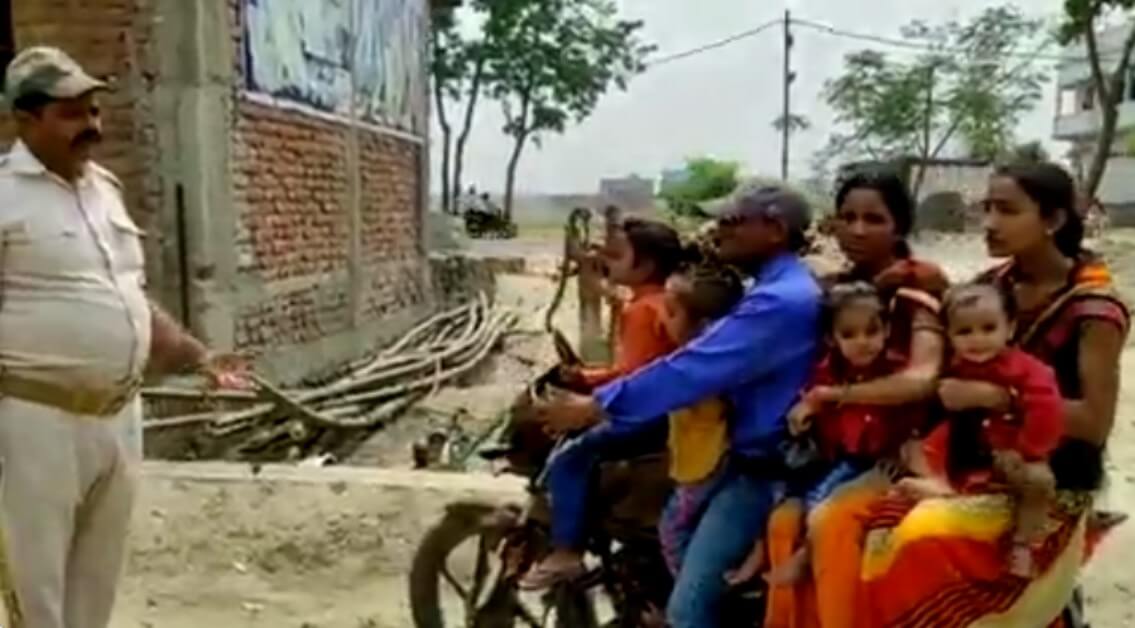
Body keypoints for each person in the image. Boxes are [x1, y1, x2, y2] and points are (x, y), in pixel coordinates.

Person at [0, 47, 247, 628]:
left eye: (93, 110)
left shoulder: (104, 189)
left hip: (117, 422)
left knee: (94, 595)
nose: (93, 126)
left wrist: (200, 356)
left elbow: (130, 299)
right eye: (72, 113)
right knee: (39, 602)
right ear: (25, 119)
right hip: (35, 425)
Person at [536, 181, 822, 628]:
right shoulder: (774, 288)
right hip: (750, 459)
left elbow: (692, 367)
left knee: (688, 611)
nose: (718, 230)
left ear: (775, 229)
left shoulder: (780, 301)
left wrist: (596, 407)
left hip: (764, 473)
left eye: (731, 221)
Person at [854, 162, 1127, 627]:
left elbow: (1094, 422)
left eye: (1006, 210)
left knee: (920, 539)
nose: (990, 222)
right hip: (974, 465)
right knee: (845, 522)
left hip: (1045, 484)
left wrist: (995, 399)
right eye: (987, 208)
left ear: (1053, 221)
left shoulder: (1094, 309)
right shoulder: (994, 286)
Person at [764, 170, 949, 628]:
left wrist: (835, 395)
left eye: (874, 218)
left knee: (831, 523)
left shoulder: (914, 289)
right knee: (783, 522)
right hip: (841, 450)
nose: (858, 229)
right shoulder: (835, 291)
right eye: (848, 217)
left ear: (900, 227)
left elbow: (923, 378)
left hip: (899, 450)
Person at [520, 218, 683, 589]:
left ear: (644, 266)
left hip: (646, 415)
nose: (608, 259)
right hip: (670, 410)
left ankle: (567, 552)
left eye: (617, 254)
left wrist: (583, 380)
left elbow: (633, 377)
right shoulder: (663, 300)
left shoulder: (641, 311)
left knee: (570, 458)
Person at [730, 282, 912, 587]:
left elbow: (914, 416)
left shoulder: (895, 372)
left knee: (821, 500)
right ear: (831, 338)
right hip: (830, 452)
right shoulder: (829, 372)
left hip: (866, 459)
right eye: (849, 335)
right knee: (781, 495)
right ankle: (759, 552)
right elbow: (809, 404)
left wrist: (899, 450)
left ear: (886, 330)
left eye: (872, 331)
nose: (863, 342)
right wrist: (801, 418)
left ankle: (803, 558)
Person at [900, 282, 1063, 578]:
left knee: (1039, 481)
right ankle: (946, 485)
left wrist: (1027, 450)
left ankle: (1023, 544)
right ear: (949, 336)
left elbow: (1047, 412)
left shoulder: (1029, 371)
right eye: (964, 332)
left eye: (988, 328)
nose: (977, 340)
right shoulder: (955, 367)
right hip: (966, 450)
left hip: (1012, 451)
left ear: (1010, 328)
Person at [656, 262, 745, 576]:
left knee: (671, 529)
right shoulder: (715, 357)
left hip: (707, 462)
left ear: (706, 325)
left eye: (671, 312)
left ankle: (689, 587)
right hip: (712, 457)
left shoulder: (695, 365)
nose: (661, 318)